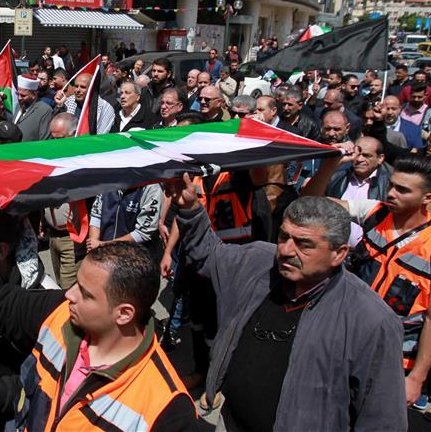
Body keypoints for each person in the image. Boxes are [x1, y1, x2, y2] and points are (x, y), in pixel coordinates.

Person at [170, 175, 406, 430]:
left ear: (339, 253)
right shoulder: (259, 260)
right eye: (284, 237)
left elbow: (383, 420)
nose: (285, 250)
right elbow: (209, 254)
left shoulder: (372, 320)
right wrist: (190, 208)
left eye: (304, 244)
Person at [0, 198, 197, 430]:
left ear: (124, 314)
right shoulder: (59, 313)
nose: (69, 294)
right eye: (76, 284)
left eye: (86, 294)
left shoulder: (167, 408)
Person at [309, 154, 431, 412]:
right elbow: (311, 201)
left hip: (390, 358)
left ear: (428, 199)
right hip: (341, 336)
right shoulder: (374, 212)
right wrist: (331, 165)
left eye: (403, 190)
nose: (391, 193)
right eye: (391, 185)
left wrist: (416, 378)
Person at [43, 113, 83, 289]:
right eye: (52, 138)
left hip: (71, 238)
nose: (54, 143)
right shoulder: (49, 157)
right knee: (59, 283)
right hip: (53, 236)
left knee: (68, 289)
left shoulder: (83, 163)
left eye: (59, 138)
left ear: (74, 134)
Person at [13, 74, 53, 141]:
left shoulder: (45, 111)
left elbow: (45, 141)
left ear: (34, 94)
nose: (19, 98)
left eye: (23, 95)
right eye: (17, 94)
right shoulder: (19, 106)